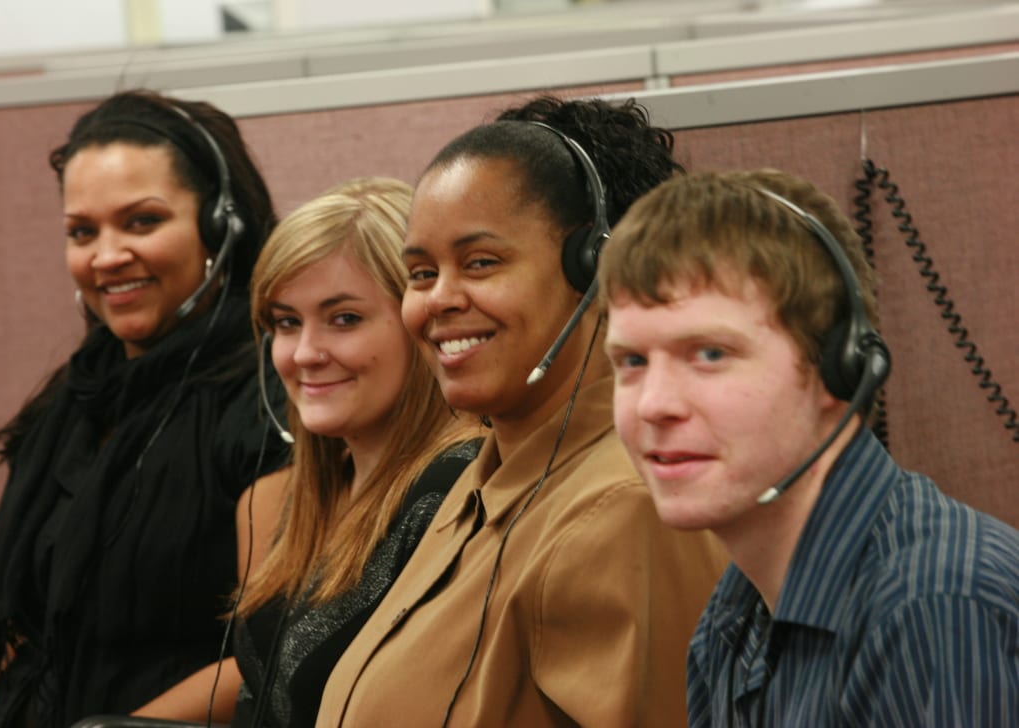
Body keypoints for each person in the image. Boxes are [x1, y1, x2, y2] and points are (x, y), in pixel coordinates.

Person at [316, 95, 727, 727]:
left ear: (598, 267)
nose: (440, 299)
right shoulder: (479, 485)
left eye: (481, 263)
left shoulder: (624, 508)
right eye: (421, 273)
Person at [599, 168, 1019, 726]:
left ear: (841, 368)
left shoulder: (930, 605)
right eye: (631, 361)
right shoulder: (738, 613)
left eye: (710, 354)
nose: (654, 404)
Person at [0, 89, 288, 728]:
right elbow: (13, 635)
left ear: (220, 225)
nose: (106, 256)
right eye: (82, 232)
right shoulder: (75, 400)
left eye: (142, 221)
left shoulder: (269, 395)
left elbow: (270, 653)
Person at [230, 177, 482, 727]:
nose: (304, 353)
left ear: (419, 322)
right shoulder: (301, 498)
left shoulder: (463, 485)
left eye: (344, 319)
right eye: (286, 322)